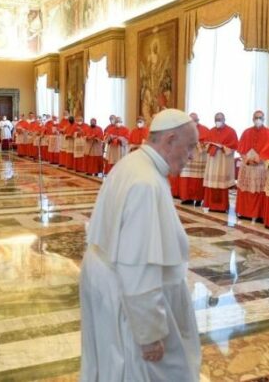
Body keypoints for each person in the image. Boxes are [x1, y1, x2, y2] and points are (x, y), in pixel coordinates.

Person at [80, 109, 201, 381]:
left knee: (110, 361)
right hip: (125, 292)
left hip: (106, 279)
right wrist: (149, 334)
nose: (192, 156)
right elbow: (137, 267)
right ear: (170, 140)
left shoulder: (135, 163)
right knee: (143, 367)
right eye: (190, 146)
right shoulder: (146, 183)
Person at [236, 110, 269, 221]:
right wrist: (247, 160)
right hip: (247, 166)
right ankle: (244, 213)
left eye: (260, 118)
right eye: (256, 117)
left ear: (264, 119)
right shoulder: (246, 132)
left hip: (261, 167)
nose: (258, 119)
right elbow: (241, 149)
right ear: (253, 119)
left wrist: (259, 159)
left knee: (260, 191)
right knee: (246, 189)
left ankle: (259, 215)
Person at [202, 112, 238, 212]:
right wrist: (210, 145)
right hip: (213, 161)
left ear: (224, 120)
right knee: (212, 183)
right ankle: (211, 205)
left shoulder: (231, 131)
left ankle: (222, 206)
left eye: (220, 119)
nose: (218, 121)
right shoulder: (211, 131)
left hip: (223, 160)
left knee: (222, 183)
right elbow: (205, 145)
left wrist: (222, 146)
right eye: (216, 119)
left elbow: (234, 146)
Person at [179, 113, 209, 205]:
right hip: (187, 157)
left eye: (194, 120)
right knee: (186, 178)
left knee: (197, 179)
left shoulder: (205, 129)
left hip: (199, 157)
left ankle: (198, 199)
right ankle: (187, 198)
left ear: (197, 120)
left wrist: (198, 143)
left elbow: (207, 143)